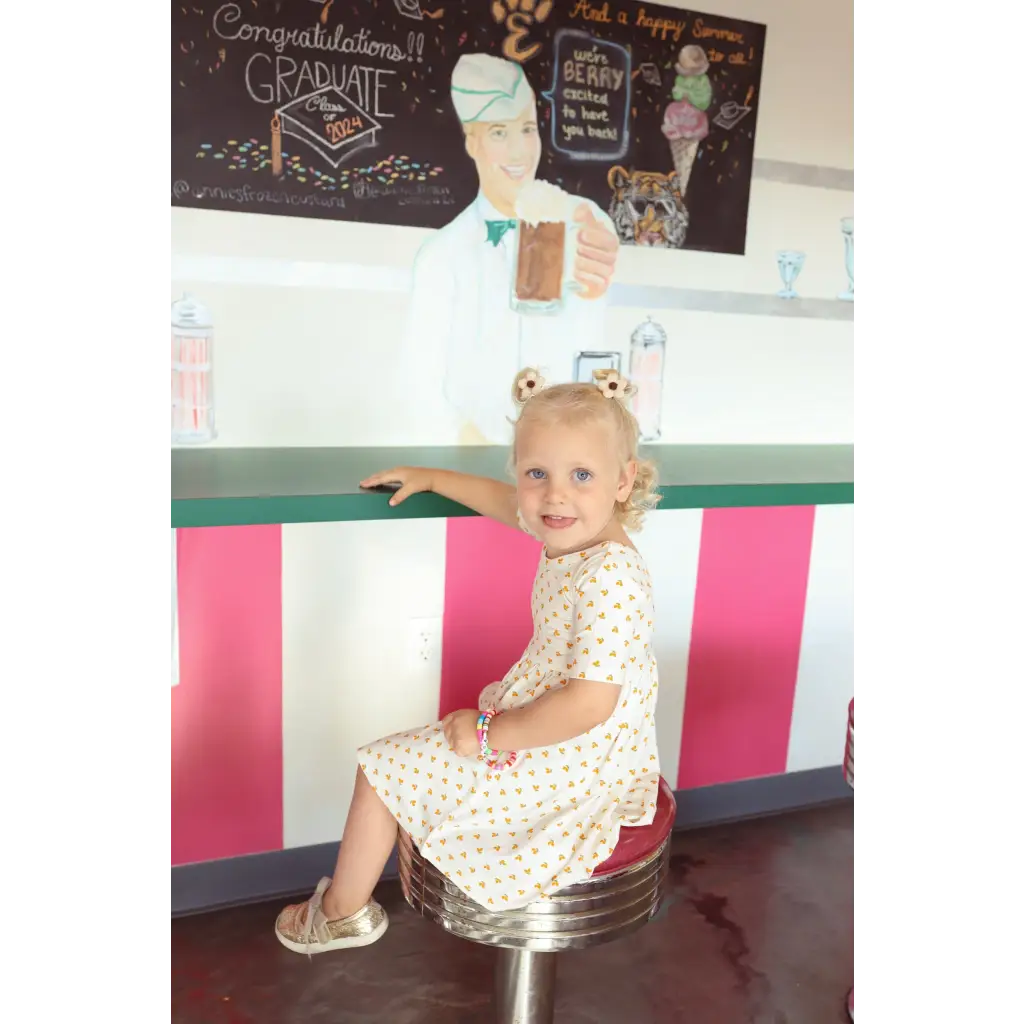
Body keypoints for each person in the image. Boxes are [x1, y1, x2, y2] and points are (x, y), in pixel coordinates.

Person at [274, 366, 663, 954]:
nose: (555, 495)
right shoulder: (578, 530)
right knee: (398, 767)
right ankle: (345, 907)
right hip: (563, 730)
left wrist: (492, 733)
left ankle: (339, 915)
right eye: (538, 473)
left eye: (581, 474)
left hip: (580, 754)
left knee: (382, 770)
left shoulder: (609, 576)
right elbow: (512, 505)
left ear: (623, 480)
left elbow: (589, 705)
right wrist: (431, 477)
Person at [397, 53, 622, 446]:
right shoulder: (443, 254)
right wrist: (479, 462)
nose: (520, 152)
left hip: (565, 462)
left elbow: (592, 340)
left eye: (527, 129)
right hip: (474, 469)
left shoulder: (575, 224)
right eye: (500, 132)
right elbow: (420, 390)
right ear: (472, 142)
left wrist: (595, 258)